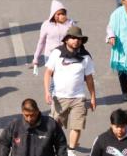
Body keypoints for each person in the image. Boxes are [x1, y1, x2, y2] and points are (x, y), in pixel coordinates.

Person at [44, 26, 97, 156]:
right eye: (73, 38)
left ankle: (71, 150)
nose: (76, 41)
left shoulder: (85, 57)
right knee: (56, 126)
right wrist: (47, 92)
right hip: (59, 97)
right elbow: (47, 73)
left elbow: (89, 79)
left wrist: (93, 97)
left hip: (78, 97)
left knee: (77, 125)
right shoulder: (57, 53)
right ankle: (54, 147)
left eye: (79, 39)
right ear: (66, 39)